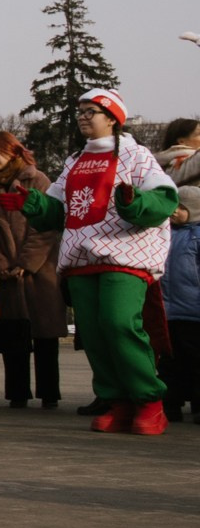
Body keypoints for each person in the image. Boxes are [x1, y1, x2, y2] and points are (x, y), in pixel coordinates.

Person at [22, 91, 178, 434]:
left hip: (125, 254)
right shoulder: (74, 161)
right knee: (93, 333)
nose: (82, 117)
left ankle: (149, 402)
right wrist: (32, 203)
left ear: (112, 118)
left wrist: (135, 204)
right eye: (80, 111)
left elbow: (165, 199)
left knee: (118, 323)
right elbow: (56, 211)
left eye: (91, 111)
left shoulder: (137, 155)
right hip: (81, 258)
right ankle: (118, 402)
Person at [0, 131, 64, 408]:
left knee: (45, 336)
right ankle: (17, 394)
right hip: (4, 270)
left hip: (40, 270)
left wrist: (26, 264)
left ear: (13, 152)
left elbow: (46, 227)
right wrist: (2, 264)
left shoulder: (37, 180)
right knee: (12, 335)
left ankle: (49, 394)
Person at [164, 184, 200, 423]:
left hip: (193, 311)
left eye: (181, 207)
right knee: (169, 362)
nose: (174, 211)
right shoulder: (165, 233)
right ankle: (170, 404)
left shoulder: (197, 235)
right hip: (168, 311)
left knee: (196, 360)